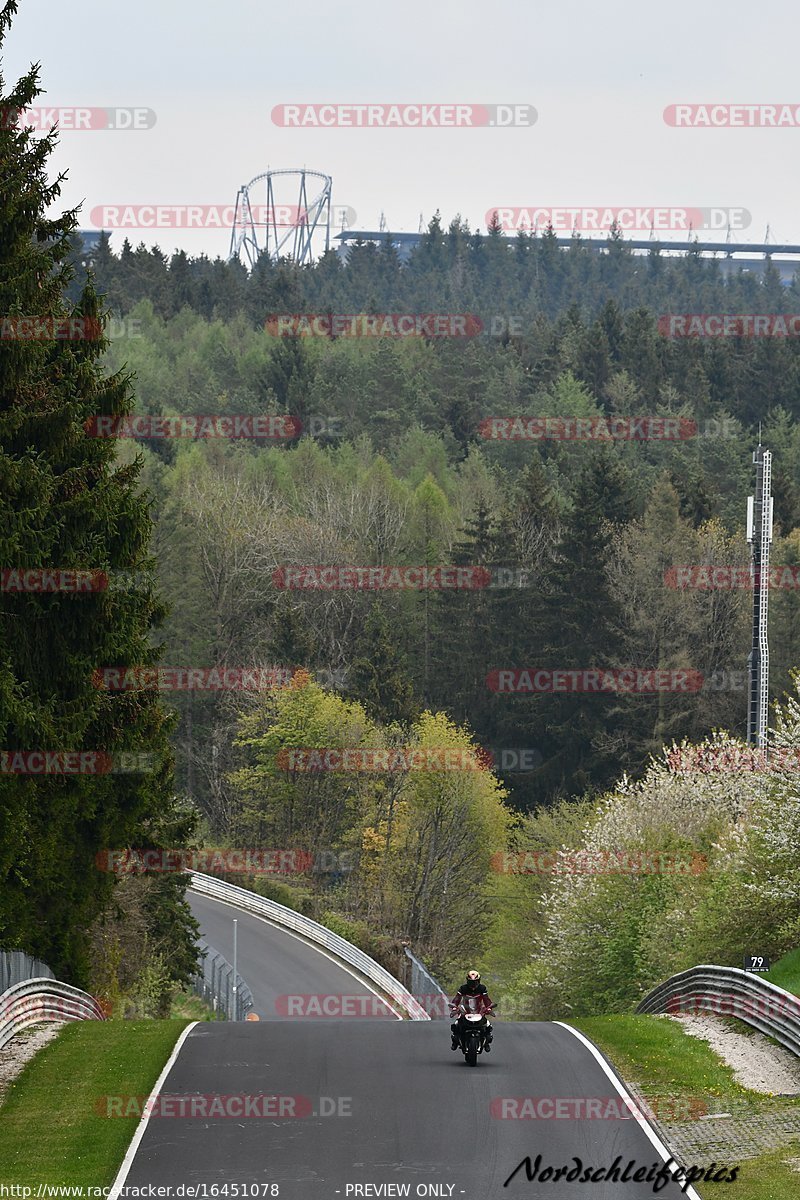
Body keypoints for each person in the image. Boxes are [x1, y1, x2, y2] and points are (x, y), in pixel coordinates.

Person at [449, 970, 494, 1052]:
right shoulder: (463, 988)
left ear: (478, 981)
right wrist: (455, 1006)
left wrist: (489, 1007)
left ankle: (486, 1042)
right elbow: (457, 998)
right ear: (467, 981)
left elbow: (486, 999)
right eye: (471, 982)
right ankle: (455, 1042)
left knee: (488, 1025)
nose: (473, 984)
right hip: (466, 1009)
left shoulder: (482, 988)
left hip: (478, 1009)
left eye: (475, 982)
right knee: (456, 1024)